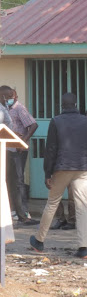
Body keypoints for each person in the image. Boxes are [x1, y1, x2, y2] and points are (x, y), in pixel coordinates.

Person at [30, 92, 87, 258]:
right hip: (82, 167)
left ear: (61, 105)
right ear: (76, 103)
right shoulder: (86, 121)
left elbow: (51, 149)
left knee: (52, 203)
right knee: (81, 206)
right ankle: (83, 248)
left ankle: (39, 241)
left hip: (62, 167)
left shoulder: (56, 121)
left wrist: (47, 172)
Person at [3, 86, 39, 225]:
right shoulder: (3, 109)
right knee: (7, 180)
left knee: (18, 181)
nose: (9, 100)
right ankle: (12, 211)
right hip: (5, 150)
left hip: (17, 151)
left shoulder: (19, 108)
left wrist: (21, 141)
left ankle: (23, 213)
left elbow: (33, 125)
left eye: (10, 97)